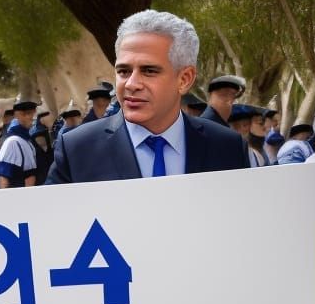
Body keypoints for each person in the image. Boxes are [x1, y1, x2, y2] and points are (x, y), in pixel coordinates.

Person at [47, 10, 249, 185]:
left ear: (184, 79)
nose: (132, 84)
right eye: (124, 71)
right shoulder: (77, 150)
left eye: (149, 71)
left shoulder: (228, 148)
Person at [0, 96, 38, 188]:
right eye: (28, 114)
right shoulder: (12, 142)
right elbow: (4, 176)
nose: (32, 118)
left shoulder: (26, 141)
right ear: (19, 115)